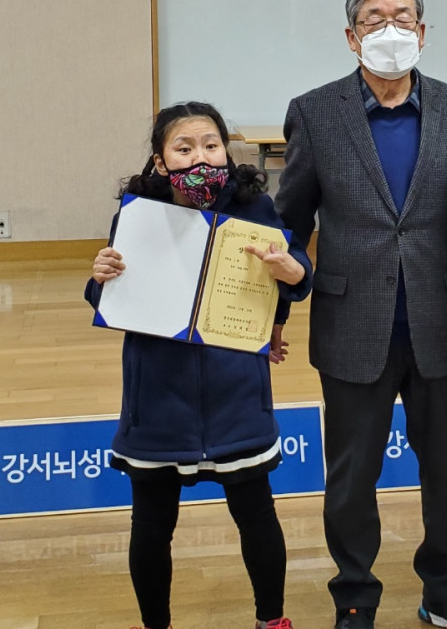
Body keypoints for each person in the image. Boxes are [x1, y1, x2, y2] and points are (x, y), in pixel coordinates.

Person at [275, 0, 447, 629]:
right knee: (352, 476)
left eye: (403, 17)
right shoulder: (315, 112)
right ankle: (354, 595)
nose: (390, 30)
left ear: (423, 32)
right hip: (352, 323)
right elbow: (288, 224)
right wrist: (272, 313)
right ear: (352, 38)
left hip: (442, 319)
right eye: (374, 20)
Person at [85, 101, 313, 629]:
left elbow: (298, 275)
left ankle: (272, 620)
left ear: (226, 152)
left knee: (257, 516)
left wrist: (294, 272)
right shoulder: (138, 214)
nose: (201, 157)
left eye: (211, 145)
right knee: (151, 526)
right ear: (160, 160)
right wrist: (99, 277)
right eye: (184, 148)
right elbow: (107, 299)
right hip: (156, 398)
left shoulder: (255, 208)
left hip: (237, 394)